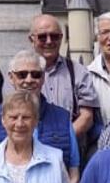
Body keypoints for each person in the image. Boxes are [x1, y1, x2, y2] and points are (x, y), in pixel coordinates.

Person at [0, 50, 80, 178]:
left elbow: (73, 172)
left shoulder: (62, 117)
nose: (29, 80)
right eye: (22, 75)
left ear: (43, 78)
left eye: (35, 74)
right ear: (11, 78)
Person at [25, 14, 98, 146]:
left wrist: (62, 140)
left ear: (61, 38)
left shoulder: (79, 72)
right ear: (32, 40)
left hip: (70, 150)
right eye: (42, 37)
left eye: (54, 36)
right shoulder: (19, 74)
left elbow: (86, 117)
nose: (49, 41)